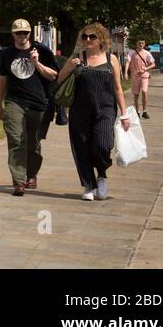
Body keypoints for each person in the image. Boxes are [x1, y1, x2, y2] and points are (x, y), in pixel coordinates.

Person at [56, 23, 130, 200]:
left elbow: (118, 88)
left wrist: (124, 113)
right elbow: (59, 79)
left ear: (101, 39)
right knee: (81, 148)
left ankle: (102, 175)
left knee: (103, 145)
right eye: (84, 37)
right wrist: (69, 67)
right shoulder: (77, 57)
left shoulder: (110, 59)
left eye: (92, 37)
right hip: (80, 111)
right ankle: (88, 185)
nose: (87, 40)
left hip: (105, 110)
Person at [0, 18, 58, 196]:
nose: (22, 35)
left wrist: (37, 63)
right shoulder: (6, 54)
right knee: (16, 139)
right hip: (14, 102)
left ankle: (32, 174)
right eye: (18, 32)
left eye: (25, 32)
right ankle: (18, 181)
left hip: (37, 103)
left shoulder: (42, 51)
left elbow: (53, 76)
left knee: (33, 143)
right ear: (13, 34)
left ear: (30, 33)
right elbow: (2, 79)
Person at [127, 38, 155, 119]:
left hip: (144, 75)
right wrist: (125, 72)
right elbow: (128, 62)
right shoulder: (132, 52)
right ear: (136, 43)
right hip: (135, 76)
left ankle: (145, 111)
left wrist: (145, 69)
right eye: (139, 43)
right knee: (136, 95)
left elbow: (153, 64)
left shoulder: (147, 53)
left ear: (144, 44)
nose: (141, 44)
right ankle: (138, 112)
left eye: (142, 43)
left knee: (144, 91)